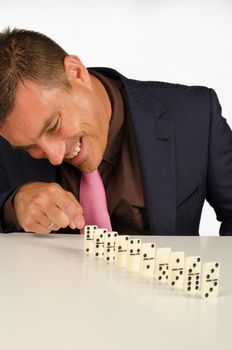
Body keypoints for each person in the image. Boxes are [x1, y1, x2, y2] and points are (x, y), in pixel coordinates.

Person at [0, 28, 232, 236]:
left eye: (53, 126)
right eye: (30, 147)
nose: (55, 156)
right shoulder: (8, 137)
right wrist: (13, 204)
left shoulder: (196, 115)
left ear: (77, 72)